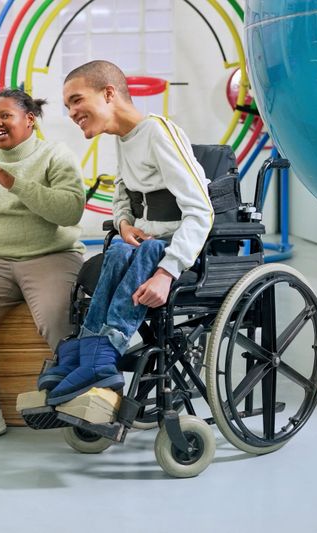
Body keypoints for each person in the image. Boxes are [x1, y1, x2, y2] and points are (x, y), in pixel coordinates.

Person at [40, 60, 214, 405]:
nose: (72, 112)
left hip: (174, 249)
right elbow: (122, 191)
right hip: (144, 243)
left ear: (108, 94)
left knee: (145, 253)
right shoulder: (123, 137)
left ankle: (105, 353)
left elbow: (201, 209)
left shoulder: (158, 133)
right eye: (67, 106)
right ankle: (88, 348)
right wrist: (123, 223)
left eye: (76, 100)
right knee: (119, 249)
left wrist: (167, 273)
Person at [0, 89, 86, 445]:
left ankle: (78, 400)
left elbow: (70, 211)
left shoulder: (56, 154)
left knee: (57, 317)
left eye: (5, 116)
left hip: (52, 254)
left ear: (30, 120)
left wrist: (16, 184)